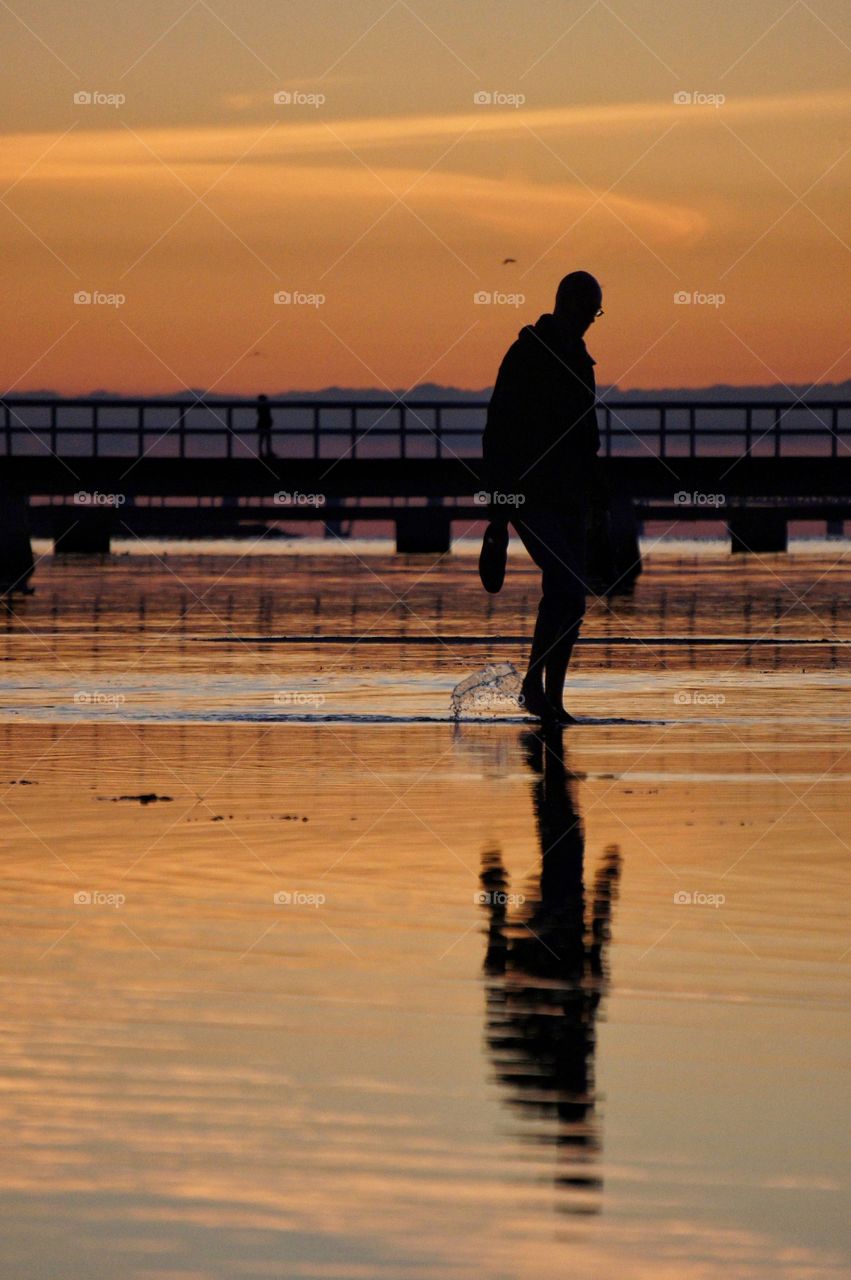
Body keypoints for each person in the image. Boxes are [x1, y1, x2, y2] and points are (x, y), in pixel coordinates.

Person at [481, 271, 604, 725]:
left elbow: (588, 436)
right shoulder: (528, 353)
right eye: (589, 312)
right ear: (568, 305)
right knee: (567, 582)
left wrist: (596, 492)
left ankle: (550, 695)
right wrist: (498, 512)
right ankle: (535, 688)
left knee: (569, 595)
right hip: (528, 494)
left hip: (571, 493)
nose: (591, 322)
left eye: (596, 315)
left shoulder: (581, 360)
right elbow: (497, 430)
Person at [256, 394, 274, 458]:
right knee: (266, 438)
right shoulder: (266, 407)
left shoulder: (259, 407)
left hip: (262, 423)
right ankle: (267, 452)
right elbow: (268, 415)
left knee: (263, 438)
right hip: (265, 423)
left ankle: (263, 452)